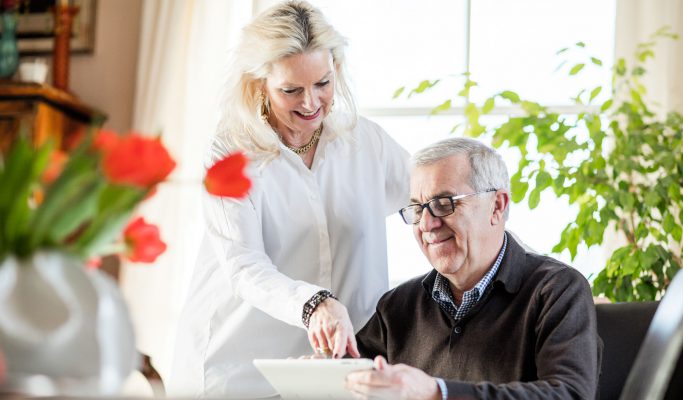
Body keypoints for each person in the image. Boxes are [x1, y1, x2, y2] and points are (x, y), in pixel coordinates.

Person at [168, 1, 409, 397]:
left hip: (327, 378)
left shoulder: (367, 143)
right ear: (259, 83)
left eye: (323, 84)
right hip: (236, 371)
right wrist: (314, 304)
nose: (311, 103)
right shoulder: (231, 154)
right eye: (291, 90)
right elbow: (244, 265)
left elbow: (434, 201)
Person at [347, 137, 600, 399]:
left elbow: (570, 394)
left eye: (444, 203)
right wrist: (319, 373)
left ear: (497, 206)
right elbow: (348, 378)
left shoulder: (557, 290)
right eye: (418, 209)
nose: (426, 224)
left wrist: (438, 393)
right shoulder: (397, 305)